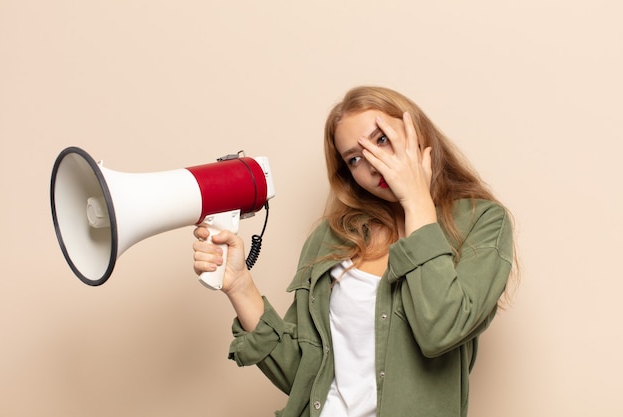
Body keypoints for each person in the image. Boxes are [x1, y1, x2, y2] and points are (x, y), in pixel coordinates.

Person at [192, 85, 517, 417]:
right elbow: (304, 377)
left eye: (381, 139)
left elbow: (440, 330)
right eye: (355, 159)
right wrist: (239, 285)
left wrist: (416, 201)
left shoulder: (481, 222)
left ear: (416, 131)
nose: (374, 164)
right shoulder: (333, 235)